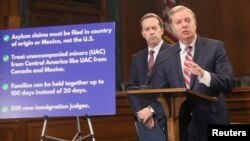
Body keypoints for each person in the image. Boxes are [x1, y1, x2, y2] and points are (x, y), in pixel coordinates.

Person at [151, 5, 234, 141]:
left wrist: (203, 75)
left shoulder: (215, 47)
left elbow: (228, 82)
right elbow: (159, 95)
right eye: (179, 22)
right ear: (172, 28)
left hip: (212, 121)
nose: (184, 25)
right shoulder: (164, 57)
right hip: (179, 126)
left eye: (188, 20)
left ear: (195, 23)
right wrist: (164, 123)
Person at [125, 13, 171, 140]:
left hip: (167, 119)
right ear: (143, 33)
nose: (151, 32)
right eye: (147, 29)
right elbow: (130, 88)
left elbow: (175, 87)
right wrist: (141, 113)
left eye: (154, 28)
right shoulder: (137, 58)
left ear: (161, 30)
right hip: (143, 122)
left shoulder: (174, 53)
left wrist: (152, 110)